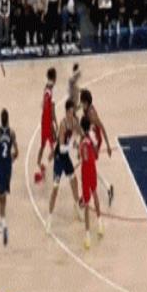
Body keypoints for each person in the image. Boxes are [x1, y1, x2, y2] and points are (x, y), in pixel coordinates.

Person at [46, 99, 82, 233]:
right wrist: (72, 144)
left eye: (74, 112)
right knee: (55, 189)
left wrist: (79, 143)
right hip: (59, 158)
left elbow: (79, 133)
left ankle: (76, 206)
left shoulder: (74, 122)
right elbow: (61, 148)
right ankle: (49, 218)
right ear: (67, 112)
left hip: (65, 157)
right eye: (71, 112)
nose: (72, 114)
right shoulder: (62, 124)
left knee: (74, 181)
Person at [80, 89, 114, 206]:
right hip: (91, 136)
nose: (81, 104)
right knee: (90, 165)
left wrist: (108, 146)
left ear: (86, 102)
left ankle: (106, 187)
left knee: (90, 166)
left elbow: (102, 127)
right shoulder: (86, 108)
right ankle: (107, 187)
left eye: (82, 102)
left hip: (95, 140)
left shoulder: (92, 114)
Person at [0, 108, 19, 246]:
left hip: (0, 167)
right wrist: (11, 159)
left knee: (0, 195)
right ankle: (2, 219)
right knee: (4, 195)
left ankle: (3, 222)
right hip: (8, 167)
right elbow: (16, 152)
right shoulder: (12, 133)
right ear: (8, 120)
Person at [80, 116, 104, 249]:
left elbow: (83, 156)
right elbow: (96, 154)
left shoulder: (83, 141)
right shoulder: (92, 137)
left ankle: (87, 235)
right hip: (92, 169)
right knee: (95, 195)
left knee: (86, 203)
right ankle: (100, 224)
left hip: (85, 171)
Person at [35, 68, 58, 183]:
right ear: (54, 77)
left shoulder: (46, 88)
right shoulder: (52, 90)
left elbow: (43, 105)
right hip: (48, 121)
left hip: (43, 119)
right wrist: (55, 124)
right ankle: (43, 168)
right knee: (54, 148)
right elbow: (52, 110)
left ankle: (38, 165)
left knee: (43, 145)